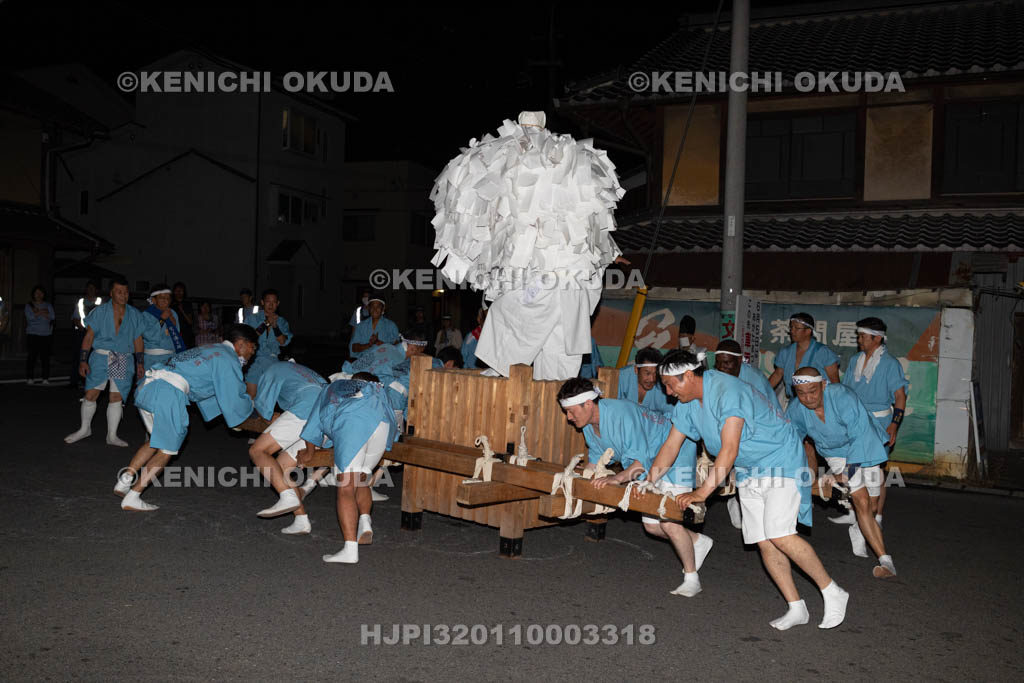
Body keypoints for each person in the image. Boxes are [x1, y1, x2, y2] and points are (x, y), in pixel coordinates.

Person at [654, 349, 849, 631]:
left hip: (779, 460)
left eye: (670, 385)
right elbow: (671, 445)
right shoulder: (686, 402)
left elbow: (729, 448)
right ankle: (796, 607)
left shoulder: (727, 391)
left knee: (780, 534)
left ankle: (832, 591)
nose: (669, 393)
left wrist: (701, 493)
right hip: (748, 468)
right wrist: (648, 481)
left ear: (687, 375)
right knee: (763, 540)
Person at [558, 378, 711, 597]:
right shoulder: (589, 425)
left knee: (669, 522)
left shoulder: (621, 414)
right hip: (649, 460)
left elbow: (639, 464)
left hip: (676, 454)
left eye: (571, 411)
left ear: (588, 404)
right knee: (652, 527)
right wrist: (578, 479)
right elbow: (597, 456)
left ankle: (692, 578)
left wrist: (617, 479)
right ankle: (697, 541)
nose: (569, 418)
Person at [114, 325, 259, 511]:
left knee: (155, 441)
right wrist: (248, 412)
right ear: (241, 344)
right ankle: (133, 496)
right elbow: (233, 395)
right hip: (168, 393)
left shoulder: (210, 349)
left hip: (148, 388)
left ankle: (125, 481)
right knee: (167, 450)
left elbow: (205, 389)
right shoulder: (228, 358)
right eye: (253, 347)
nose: (253, 353)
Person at [787, 367, 896, 578]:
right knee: (862, 501)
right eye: (801, 393)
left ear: (823, 385)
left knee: (872, 506)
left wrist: (847, 473)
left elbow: (859, 436)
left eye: (813, 391)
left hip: (864, 444)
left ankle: (858, 527)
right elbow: (790, 441)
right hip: (835, 453)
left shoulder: (842, 396)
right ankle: (885, 561)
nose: (808, 398)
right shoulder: (795, 409)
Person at [298, 372, 399, 564]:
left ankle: (350, 550)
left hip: (354, 424)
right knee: (362, 479)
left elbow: (314, 422)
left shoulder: (336, 387)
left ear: (353, 380)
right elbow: (394, 421)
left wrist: (309, 453)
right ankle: (365, 521)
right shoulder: (379, 390)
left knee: (346, 487)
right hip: (382, 425)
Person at [839, 317, 908, 527]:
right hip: (856, 421)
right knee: (853, 466)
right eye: (859, 336)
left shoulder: (890, 364)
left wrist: (894, 424)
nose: (859, 340)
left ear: (877, 338)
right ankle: (853, 512)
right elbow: (846, 391)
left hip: (879, 422)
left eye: (863, 336)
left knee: (876, 469)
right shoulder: (855, 360)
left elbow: (900, 396)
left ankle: (877, 516)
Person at [65, 277, 146, 447]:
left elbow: (138, 340)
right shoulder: (100, 312)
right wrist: (83, 360)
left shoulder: (134, 314)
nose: (123, 295)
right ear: (111, 293)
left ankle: (112, 435)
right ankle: (84, 429)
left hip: (121, 356)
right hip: (101, 355)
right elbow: (89, 337)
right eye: (119, 292)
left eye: (125, 292)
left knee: (116, 397)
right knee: (91, 394)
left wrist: (140, 363)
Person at [249, 360, 328, 534]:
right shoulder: (306, 371)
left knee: (258, 450)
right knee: (281, 467)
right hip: (328, 418)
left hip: (305, 408)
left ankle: (286, 495)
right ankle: (301, 520)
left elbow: (263, 404)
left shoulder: (273, 368)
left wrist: (267, 417)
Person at [713, 339, 782, 529]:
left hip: (762, 428)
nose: (722, 367)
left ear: (739, 361)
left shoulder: (754, 379)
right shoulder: (717, 376)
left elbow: (765, 413)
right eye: (718, 363)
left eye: (727, 363)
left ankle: (740, 499)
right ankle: (737, 497)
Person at [768, 312, 841, 399]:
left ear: (808, 331)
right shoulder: (785, 352)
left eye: (797, 328)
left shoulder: (823, 352)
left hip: (821, 401)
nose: (792, 331)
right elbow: (777, 374)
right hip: (794, 401)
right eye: (791, 327)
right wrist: (762, 391)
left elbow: (835, 381)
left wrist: (836, 401)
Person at [243, 289, 293, 396]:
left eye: (274, 302)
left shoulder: (282, 322)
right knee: (251, 397)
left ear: (278, 303)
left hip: (273, 362)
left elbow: (283, 342)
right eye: (268, 301)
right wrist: (266, 323)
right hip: (254, 361)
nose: (271, 305)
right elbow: (249, 337)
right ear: (262, 302)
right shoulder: (252, 319)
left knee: (268, 398)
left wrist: (275, 327)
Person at [140, 285, 187, 371]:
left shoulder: (173, 313)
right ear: (153, 300)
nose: (166, 301)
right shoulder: (146, 315)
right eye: (162, 298)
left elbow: (176, 334)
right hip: (153, 359)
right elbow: (149, 335)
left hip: (171, 358)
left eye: (168, 298)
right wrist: (162, 319)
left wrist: (172, 319)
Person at [617, 347, 672, 415]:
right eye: (647, 373)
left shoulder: (663, 385)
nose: (652, 379)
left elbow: (671, 414)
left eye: (655, 373)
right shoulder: (621, 377)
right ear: (636, 369)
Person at [69, 280, 102, 392]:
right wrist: (82, 327)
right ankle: (74, 381)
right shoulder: (81, 302)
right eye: (89, 287)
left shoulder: (101, 302)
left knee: (92, 357)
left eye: (93, 288)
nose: (91, 290)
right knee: (78, 356)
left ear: (97, 290)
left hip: (96, 334)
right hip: (81, 332)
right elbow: (75, 318)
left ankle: (88, 382)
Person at [24, 284, 55, 384]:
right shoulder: (29, 305)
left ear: (43, 294)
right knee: (32, 357)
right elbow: (30, 318)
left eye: (41, 293)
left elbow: (52, 317)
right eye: (37, 293)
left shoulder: (48, 305)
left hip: (46, 334)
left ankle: (45, 378)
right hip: (32, 334)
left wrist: (38, 312)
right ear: (33, 294)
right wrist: (43, 313)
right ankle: (30, 378)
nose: (39, 295)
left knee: (45, 358)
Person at [170, 282, 195, 348]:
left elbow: (190, 322)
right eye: (177, 290)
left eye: (180, 290)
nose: (178, 292)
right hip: (174, 332)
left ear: (184, 292)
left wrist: (182, 310)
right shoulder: (170, 304)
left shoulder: (187, 304)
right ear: (174, 292)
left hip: (186, 333)